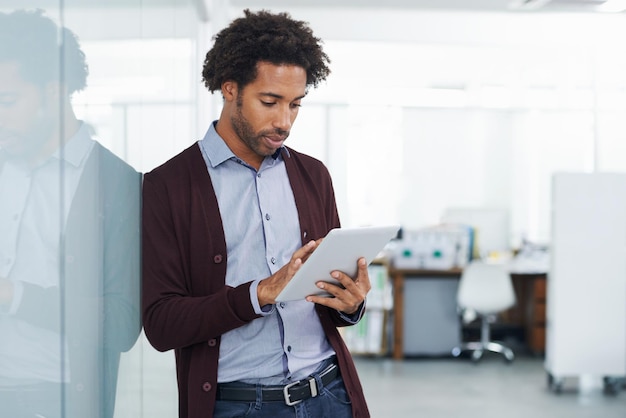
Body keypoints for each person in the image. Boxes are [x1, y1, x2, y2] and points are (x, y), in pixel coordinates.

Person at [142, 9, 370, 418]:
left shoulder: (313, 175)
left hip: (329, 393)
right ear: (230, 89)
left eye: (295, 105)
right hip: (237, 405)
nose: (284, 121)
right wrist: (258, 293)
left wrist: (349, 304)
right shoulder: (168, 186)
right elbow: (161, 325)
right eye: (270, 101)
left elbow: (328, 301)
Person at [0, 9, 142, 418]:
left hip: (57, 398)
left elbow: (122, 322)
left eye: (8, 101)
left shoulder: (117, 184)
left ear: (54, 92)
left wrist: (14, 295)